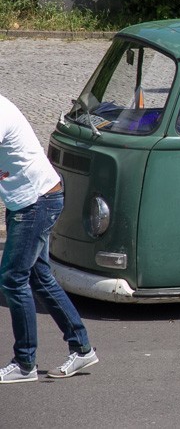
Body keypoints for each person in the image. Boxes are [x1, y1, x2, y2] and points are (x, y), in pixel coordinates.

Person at [1, 93, 98, 383]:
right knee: (39, 277)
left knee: (13, 278)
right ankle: (82, 348)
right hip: (27, 201)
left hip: (36, 203)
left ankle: (24, 363)